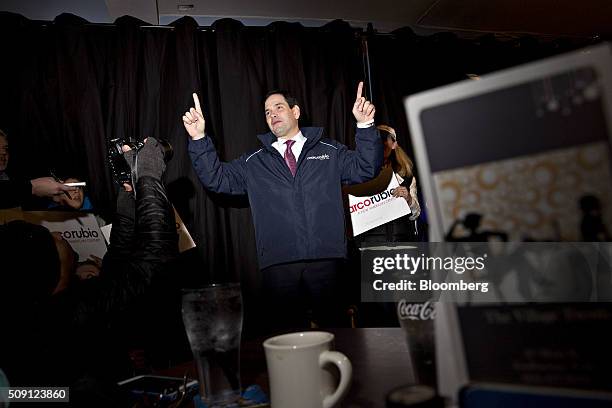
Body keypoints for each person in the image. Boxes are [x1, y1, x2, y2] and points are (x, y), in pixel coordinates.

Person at [183, 82, 382, 328]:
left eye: (278, 107)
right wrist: (199, 138)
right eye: (267, 112)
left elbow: (366, 168)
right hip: (278, 265)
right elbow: (217, 179)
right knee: (287, 341)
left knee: (336, 336)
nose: (272, 114)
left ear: (295, 112)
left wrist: (364, 125)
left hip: (327, 260)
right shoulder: (254, 163)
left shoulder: (330, 151)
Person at [0, 138, 178, 403]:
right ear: (48, 272)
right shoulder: (70, 315)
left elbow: (116, 270)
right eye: (51, 239)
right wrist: (149, 177)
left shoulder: (40, 313)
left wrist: (127, 197)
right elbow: (154, 259)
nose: (58, 236)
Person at [0, 128, 75, 209]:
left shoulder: (11, 178)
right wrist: (34, 187)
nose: (4, 153)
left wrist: (52, 197)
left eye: (5, 149)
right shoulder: (13, 186)